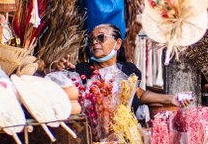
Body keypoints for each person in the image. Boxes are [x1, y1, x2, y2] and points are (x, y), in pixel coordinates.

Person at [58, 24, 186, 110]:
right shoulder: (81, 71)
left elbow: (139, 94)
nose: (95, 42)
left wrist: (171, 98)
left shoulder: (130, 70)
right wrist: (62, 73)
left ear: (117, 43)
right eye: (92, 40)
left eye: (101, 38)